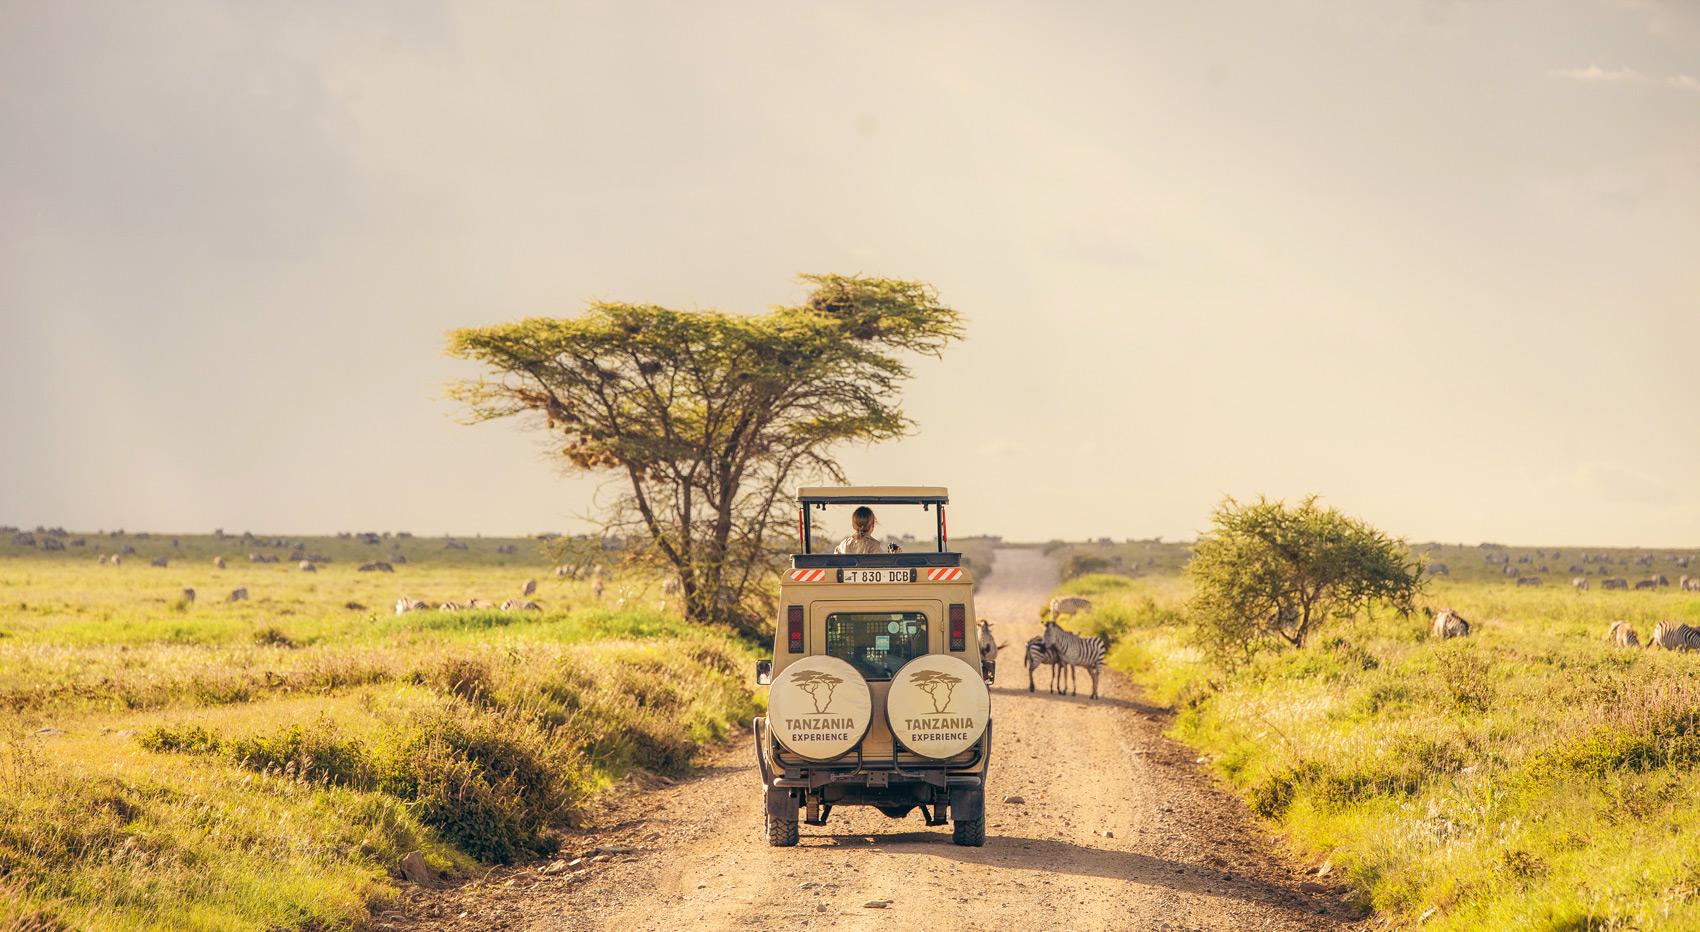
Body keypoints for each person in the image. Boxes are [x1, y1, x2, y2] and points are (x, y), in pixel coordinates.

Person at [834, 506, 899, 554]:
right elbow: (883, 566)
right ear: (872, 525)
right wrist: (894, 555)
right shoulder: (873, 546)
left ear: (853, 526)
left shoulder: (843, 544)